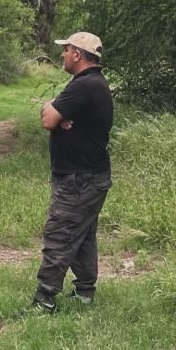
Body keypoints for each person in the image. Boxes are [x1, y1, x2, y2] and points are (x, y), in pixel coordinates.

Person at [31, 32, 113, 313]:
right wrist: (56, 109)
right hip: (90, 177)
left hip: (79, 179)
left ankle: (44, 300)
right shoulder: (92, 84)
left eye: (66, 50)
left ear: (77, 54)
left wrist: (56, 110)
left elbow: (46, 118)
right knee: (84, 235)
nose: (63, 55)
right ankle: (85, 292)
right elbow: (51, 113)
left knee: (60, 233)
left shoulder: (84, 85)